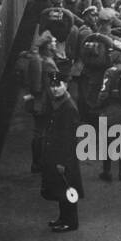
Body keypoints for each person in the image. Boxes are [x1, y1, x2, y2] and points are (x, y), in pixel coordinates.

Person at [39, 77, 83, 230]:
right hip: (60, 157)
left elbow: (68, 139)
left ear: (66, 86)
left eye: (58, 86)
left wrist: (62, 162)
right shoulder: (61, 103)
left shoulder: (68, 108)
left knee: (67, 190)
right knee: (62, 189)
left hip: (65, 158)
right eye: (52, 86)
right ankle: (63, 218)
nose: (55, 89)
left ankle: (70, 222)